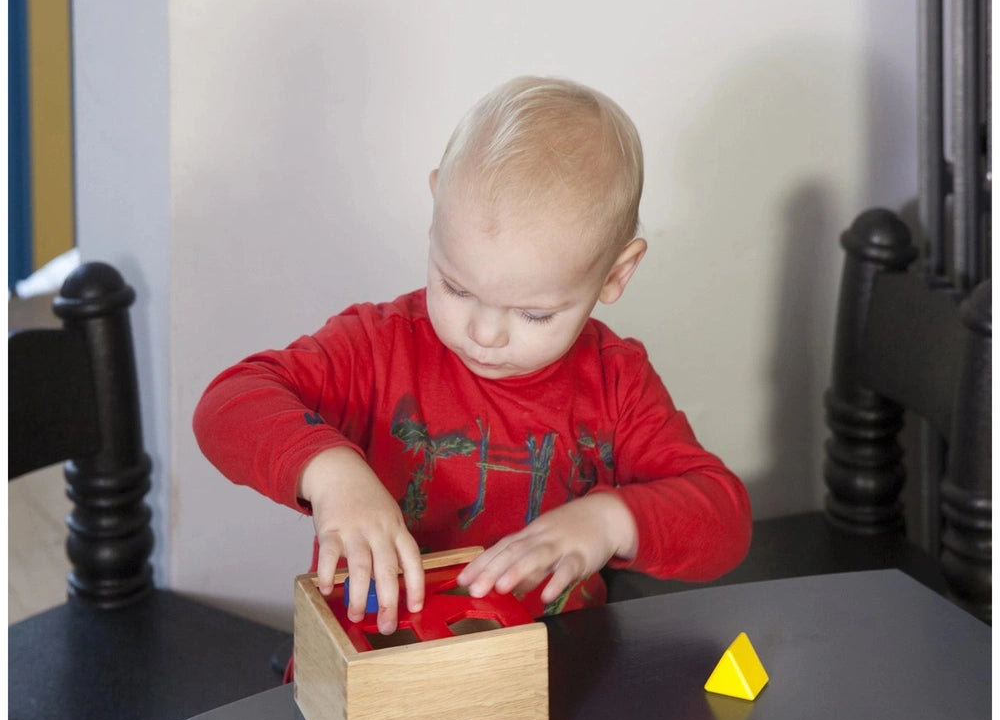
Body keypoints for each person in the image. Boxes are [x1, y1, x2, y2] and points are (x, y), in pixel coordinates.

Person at [194, 75, 751, 636]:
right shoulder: (377, 347)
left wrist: (610, 521)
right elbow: (227, 405)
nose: (484, 334)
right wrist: (330, 474)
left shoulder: (616, 382)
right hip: (374, 676)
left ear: (616, 273)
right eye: (456, 288)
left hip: (556, 683)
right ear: (436, 208)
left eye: (533, 314)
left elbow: (724, 521)